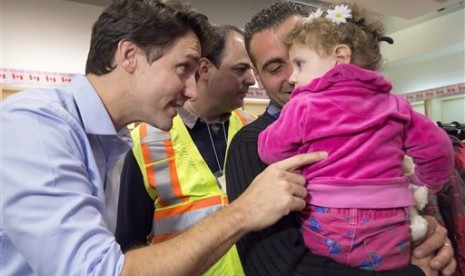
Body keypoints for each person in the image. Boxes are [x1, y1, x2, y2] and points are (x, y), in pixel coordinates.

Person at [0, 1, 324, 275]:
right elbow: (100, 270)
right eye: (183, 68)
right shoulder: (37, 126)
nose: (192, 90)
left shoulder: (108, 142)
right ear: (129, 56)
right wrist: (243, 212)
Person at [225, 1, 457, 275]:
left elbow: (425, 190)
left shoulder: (389, 116)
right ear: (259, 78)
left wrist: (430, 238)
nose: (294, 77)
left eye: (300, 60)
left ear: (338, 55)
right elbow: (278, 268)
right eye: (276, 67)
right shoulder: (248, 144)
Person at [115, 24, 256, 275]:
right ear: (204, 69)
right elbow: (129, 243)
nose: (252, 79)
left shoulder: (253, 132)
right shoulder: (146, 142)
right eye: (240, 69)